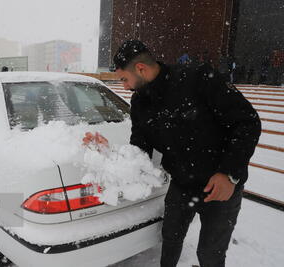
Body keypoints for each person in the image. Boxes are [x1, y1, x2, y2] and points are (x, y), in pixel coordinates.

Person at [88, 40, 261, 267]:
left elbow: (247, 123)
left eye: (124, 79)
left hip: (220, 187)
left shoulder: (198, 78)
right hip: (181, 185)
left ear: (141, 68)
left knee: (210, 255)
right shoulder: (140, 102)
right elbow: (140, 149)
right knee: (170, 240)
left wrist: (229, 174)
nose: (125, 86)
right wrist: (110, 152)